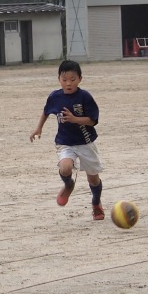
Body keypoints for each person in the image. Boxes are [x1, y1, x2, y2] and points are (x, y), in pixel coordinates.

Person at [29, 59, 105, 220]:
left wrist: (75, 119)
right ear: (59, 79)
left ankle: (96, 203)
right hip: (65, 142)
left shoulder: (85, 97)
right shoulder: (55, 97)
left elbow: (93, 120)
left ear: (80, 79)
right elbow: (46, 111)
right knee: (65, 168)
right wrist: (38, 128)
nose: (68, 83)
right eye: (64, 79)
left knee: (93, 178)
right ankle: (69, 184)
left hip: (86, 142)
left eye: (72, 79)